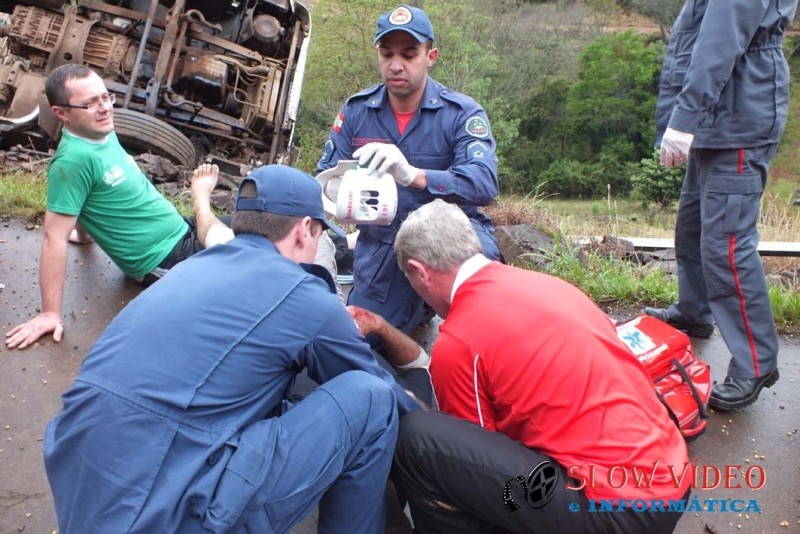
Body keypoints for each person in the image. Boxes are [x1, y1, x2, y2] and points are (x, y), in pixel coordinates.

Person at [43, 165, 423, 533]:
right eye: (320, 233)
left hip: (79, 486)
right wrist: (421, 411)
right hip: (164, 512)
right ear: (304, 230)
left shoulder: (193, 268)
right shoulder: (304, 295)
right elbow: (376, 384)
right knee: (372, 398)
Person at [349, 199, 691, 534]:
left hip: (612, 510)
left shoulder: (458, 343)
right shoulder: (549, 286)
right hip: (671, 475)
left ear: (420, 273)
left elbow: (468, 463)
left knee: (419, 441)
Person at [4, 63, 230, 350]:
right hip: (165, 259)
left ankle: (202, 206)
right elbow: (53, 238)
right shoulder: (72, 162)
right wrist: (50, 313)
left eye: (105, 97)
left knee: (260, 221)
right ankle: (201, 198)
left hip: (182, 229)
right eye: (90, 103)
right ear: (61, 113)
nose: (104, 108)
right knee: (251, 262)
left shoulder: (100, 131)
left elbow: (90, 197)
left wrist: (84, 234)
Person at [645, 0, 796, 410]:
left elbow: (720, 40)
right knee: (692, 227)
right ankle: (693, 310)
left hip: (739, 118)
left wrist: (685, 117)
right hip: (719, 117)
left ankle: (756, 362)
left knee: (727, 246)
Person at [317, 4, 501, 338]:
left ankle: (442, 313)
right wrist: (348, 194)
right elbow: (326, 178)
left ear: (431, 56)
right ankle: (415, 313)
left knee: (487, 329)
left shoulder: (461, 112)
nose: (396, 64)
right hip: (383, 243)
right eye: (387, 53)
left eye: (409, 53)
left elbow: (484, 182)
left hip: (452, 236)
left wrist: (415, 176)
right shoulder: (357, 111)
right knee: (363, 340)